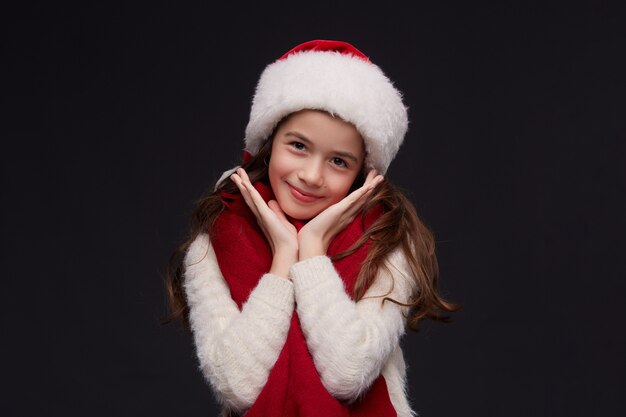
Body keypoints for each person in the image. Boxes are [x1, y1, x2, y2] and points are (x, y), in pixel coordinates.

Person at [165, 39, 459, 417]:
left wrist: (313, 249)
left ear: (362, 174)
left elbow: (346, 374)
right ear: (269, 143)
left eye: (338, 161)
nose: (311, 175)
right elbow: (238, 387)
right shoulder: (216, 240)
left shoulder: (386, 241)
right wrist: (284, 258)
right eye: (299, 146)